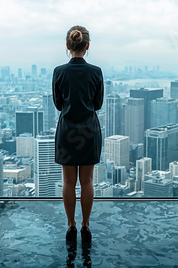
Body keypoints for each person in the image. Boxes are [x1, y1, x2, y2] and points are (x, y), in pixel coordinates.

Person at [52, 25, 104, 251]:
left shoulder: (59, 71)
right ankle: (85, 224)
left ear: (67, 46)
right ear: (87, 46)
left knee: (68, 182)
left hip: (67, 131)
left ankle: (71, 224)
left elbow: (57, 104)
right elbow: (98, 104)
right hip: (89, 131)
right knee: (87, 181)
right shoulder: (96, 72)